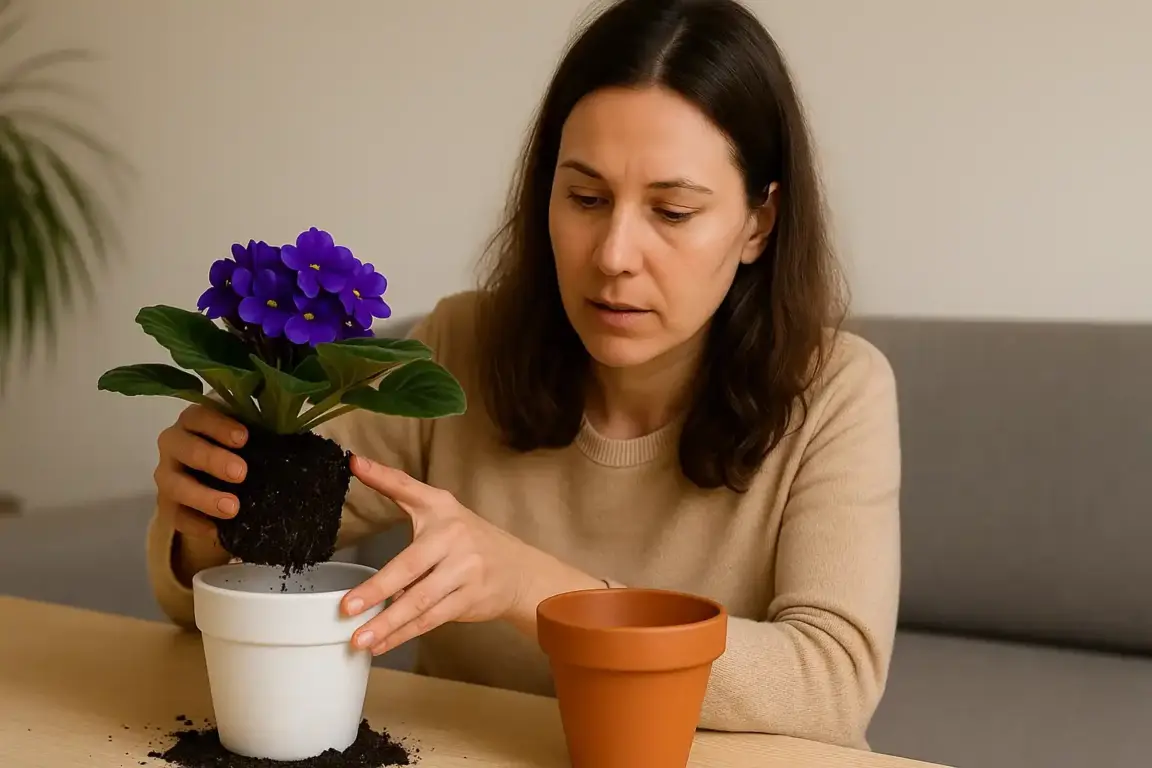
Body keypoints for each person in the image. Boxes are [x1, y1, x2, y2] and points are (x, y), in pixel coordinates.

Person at [146, 0, 901, 751]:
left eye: (671, 212)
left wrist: (530, 588)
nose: (613, 254)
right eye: (586, 198)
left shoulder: (836, 393)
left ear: (758, 225)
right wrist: (206, 511)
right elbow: (232, 584)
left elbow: (831, 683)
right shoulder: (464, 346)